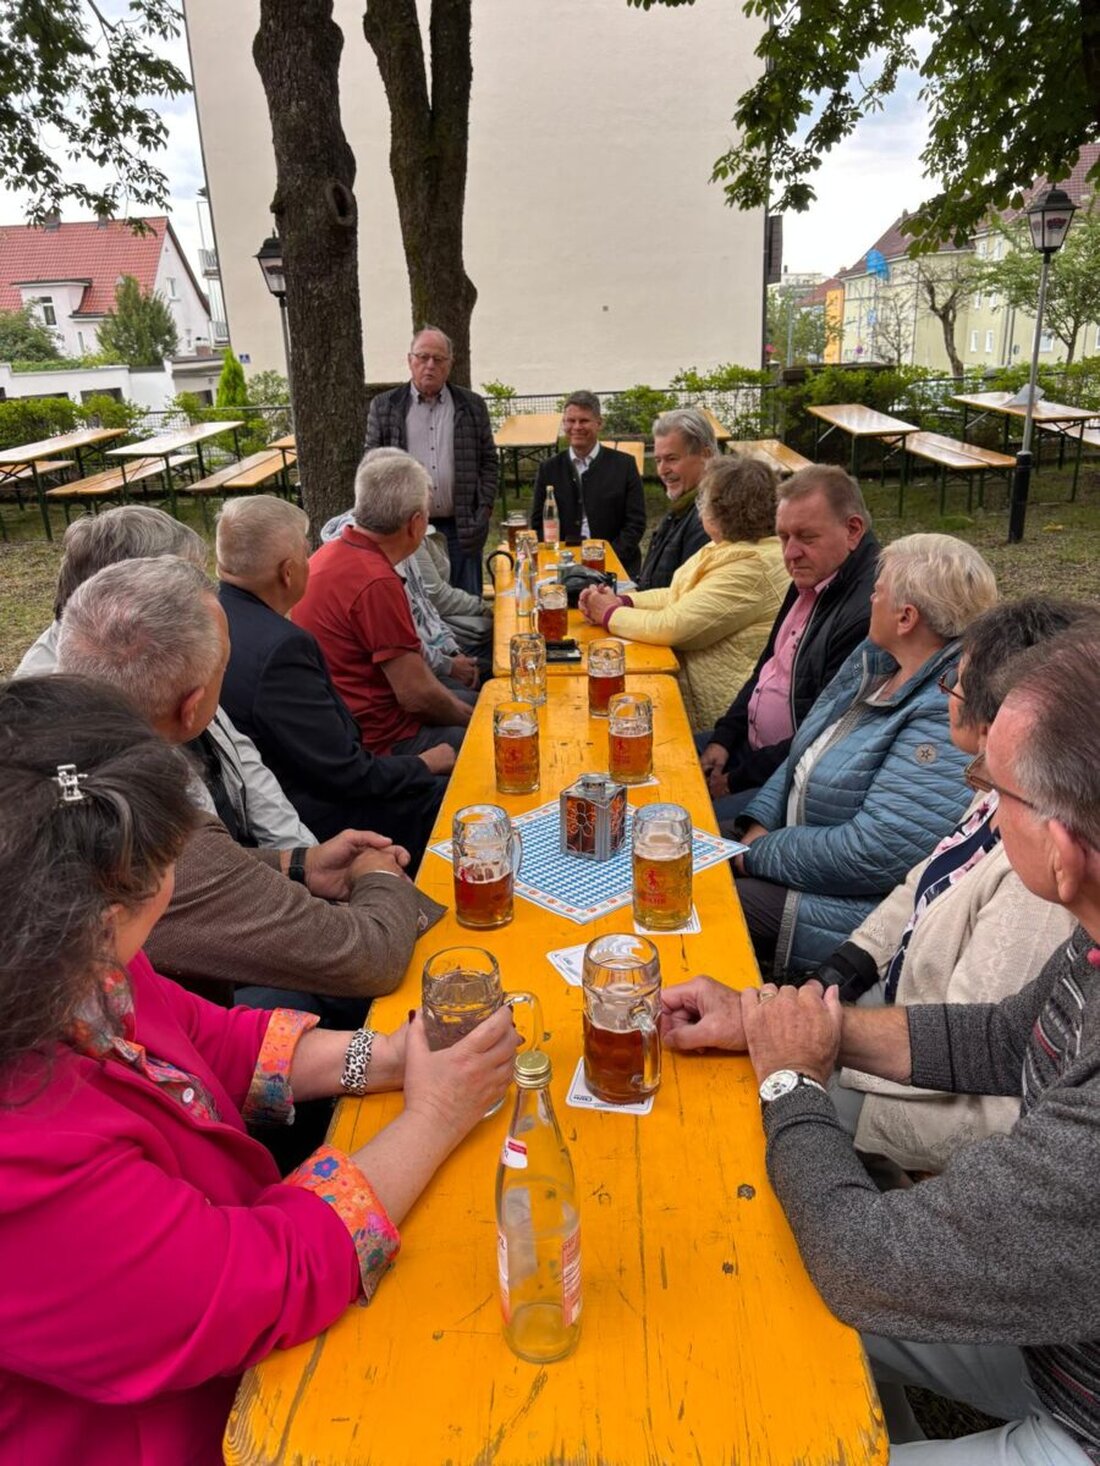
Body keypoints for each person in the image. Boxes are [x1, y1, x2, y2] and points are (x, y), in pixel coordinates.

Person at [0, 673, 520, 1465]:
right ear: (106, 913)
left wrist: (384, 1059)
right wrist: (433, 1116)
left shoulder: (59, 957)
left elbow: (209, 1041)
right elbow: (256, 1284)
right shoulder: (24, 1161)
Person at [661, 627, 1100, 1464]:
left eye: (990, 789)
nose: (975, 804)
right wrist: (776, 1021)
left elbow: (866, 1261)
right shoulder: (1092, 937)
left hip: (1081, 1416)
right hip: (1058, 1325)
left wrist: (793, 1084)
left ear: (1064, 849)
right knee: (759, 1269)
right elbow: (1004, 1036)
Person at [57, 556, 444, 1018]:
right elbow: (370, 957)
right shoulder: (155, 829)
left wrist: (299, 863)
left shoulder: (50, 758)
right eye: (225, 663)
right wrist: (377, 874)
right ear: (193, 708)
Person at [824, 598, 1090, 1172]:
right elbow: (924, 876)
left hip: (918, 1085)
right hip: (902, 1005)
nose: (946, 693)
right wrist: (850, 961)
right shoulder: (1001, 791)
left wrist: (817, 1079)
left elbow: (979, 1074)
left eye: (957, 679)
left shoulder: (1038, 879)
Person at [733, 533, 998, 975]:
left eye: (878, 592)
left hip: (854, 910)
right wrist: (758, 825)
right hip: (796, 849)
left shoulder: (946, 704)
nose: (869, 599)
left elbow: (878, 848)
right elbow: (804, 751)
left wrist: (755, 854)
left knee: (708, 898)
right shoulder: (876, 664)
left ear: (907, 617)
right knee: (681, 834)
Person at [14, 502, 315, 851]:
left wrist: (300, 853)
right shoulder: (53, 721)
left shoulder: (164, 646)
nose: (205, 603)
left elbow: (243, 760)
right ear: (122, 601)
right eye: (184, 588)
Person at [215, 495, 450, 863]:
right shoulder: (280, 648)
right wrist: (426, 763)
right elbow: (346, 773)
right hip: (310, 823)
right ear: (288, 572)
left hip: (271, 799)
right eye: (306, 553)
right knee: (454, 794)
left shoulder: (217, 616)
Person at [697, 465, 880, 824]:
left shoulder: (868, 610)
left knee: (690, 827)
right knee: (662, 762)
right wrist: (724, 738)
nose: (790, 553)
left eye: (806, 537)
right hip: (750, 750)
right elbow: (765, 668)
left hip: (792, 778)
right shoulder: (811, 579)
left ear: (853, 530)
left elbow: (822, 735)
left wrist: (735, 779)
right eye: (783, 538)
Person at [577, 455, 789, 730]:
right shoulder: (731, 547)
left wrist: (608, 613)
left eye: (703, 499)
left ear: (721, 510)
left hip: (724, 721)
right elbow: (679, 595)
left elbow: (675, 627)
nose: (699, 507)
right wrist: (623, 600)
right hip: (693, 696)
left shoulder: (752, 566)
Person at [292, 448, 472, 758]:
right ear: (415, 524)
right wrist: (478, 722)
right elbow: (416, 697)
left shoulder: (331, 554)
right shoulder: (376, 581)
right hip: (380, 741)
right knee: (500, 732)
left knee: (484, 701)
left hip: (339, 726)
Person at [364, 325, 498, 595]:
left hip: (463, 527)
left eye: (438, 359)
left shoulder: (471, 405)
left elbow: (489, 461)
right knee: (420, 608)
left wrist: (483, 508)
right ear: (409, 360)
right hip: (408, 529)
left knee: (468, 605)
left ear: (450, 364)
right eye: (422, 357)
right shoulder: (386, 406)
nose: (430, 365)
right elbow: (371, 466)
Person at [529, 390, 647, 577]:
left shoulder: (625, 465)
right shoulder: (548, 469)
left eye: (583, 421)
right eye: (570, 421)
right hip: (561, 564)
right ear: (564, 423)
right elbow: (537, 523)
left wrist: (608, 557)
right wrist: (557, 559)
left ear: (599, 423)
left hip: (615, 562)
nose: (576, 427)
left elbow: (636, 523)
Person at [635, 407, 716, 591]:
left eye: (671, 459)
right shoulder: (686, 505)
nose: (662, 470)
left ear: (706, 455)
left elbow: (684, 604)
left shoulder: (712, 519)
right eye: (658, 460)